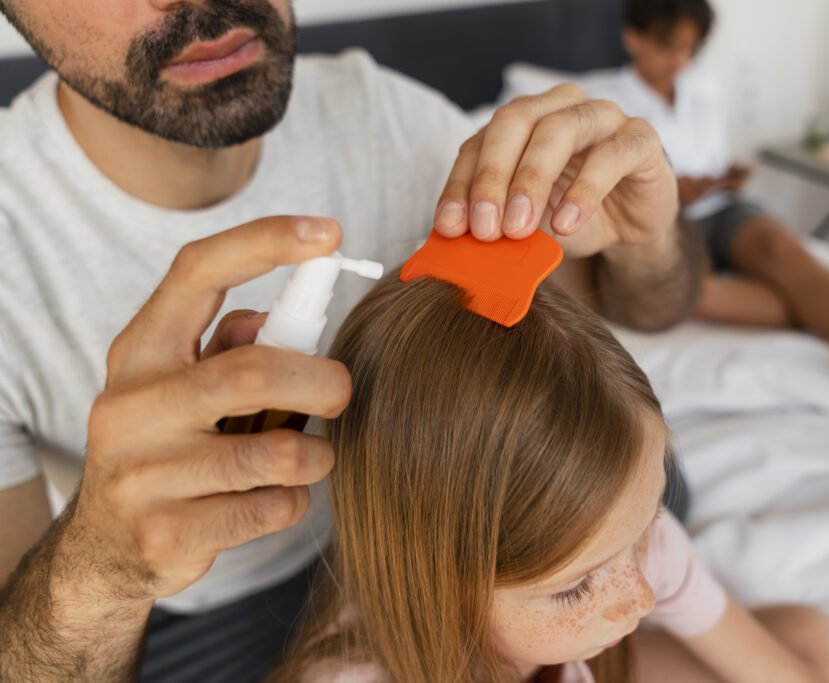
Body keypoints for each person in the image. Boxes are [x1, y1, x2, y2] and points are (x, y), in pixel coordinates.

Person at [0, 1, 703, 681]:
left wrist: (649, 245)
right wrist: (99, 571)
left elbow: (641, 309)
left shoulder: (387, 116)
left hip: (448, 529)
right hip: (209, 610)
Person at [273, 271, 829, 683]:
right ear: (437, 576)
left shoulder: (635, 550)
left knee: (815, 643)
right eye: (573, 589)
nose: (639, 597)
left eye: (646, 522)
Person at [592, 0, 829, 412]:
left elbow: (712, 157)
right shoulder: (605, 102)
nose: (680, 60)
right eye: (668, 46)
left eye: (690, 48)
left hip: (724, 208)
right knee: (686, 294)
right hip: (667, 222)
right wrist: (677, 189)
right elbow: (610, 195)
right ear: (633, 38)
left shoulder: (703, 91)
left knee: (778, 247)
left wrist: (727, 174)